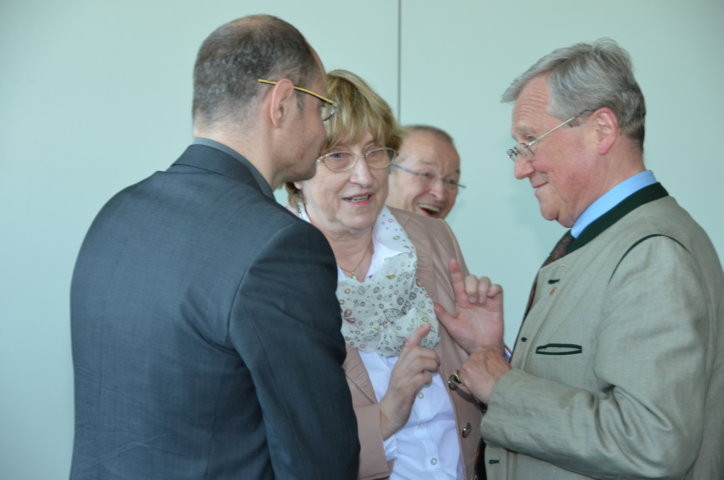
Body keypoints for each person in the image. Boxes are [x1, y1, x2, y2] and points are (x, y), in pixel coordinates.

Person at [70, 15, 359, 479]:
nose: (324, 129)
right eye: (321, 106)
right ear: (282, 102)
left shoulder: (116, 213)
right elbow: (317, 457)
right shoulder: (281, 246)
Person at [437, 38, 724, 479]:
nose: (520, 168)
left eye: (530, 141)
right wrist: (490, 352)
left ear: (602, 130)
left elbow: (651, 443)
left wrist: (505, 387)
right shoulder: (610, 239)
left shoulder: (652, 254)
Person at [287, 69, 498, 479]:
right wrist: (385, 416)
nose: (364, 176)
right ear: (296, 167)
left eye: (375, 152)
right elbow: (279, 437)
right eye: (337, 156)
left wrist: (487, 349)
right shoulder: (276, 268)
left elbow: (478, 383)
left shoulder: (431, 236)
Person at [386, 125, 463, 219]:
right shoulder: (365, 231)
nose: (440, 195)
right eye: (426, 175)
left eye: (451, 181)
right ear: (384, 174)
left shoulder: (443, 233)